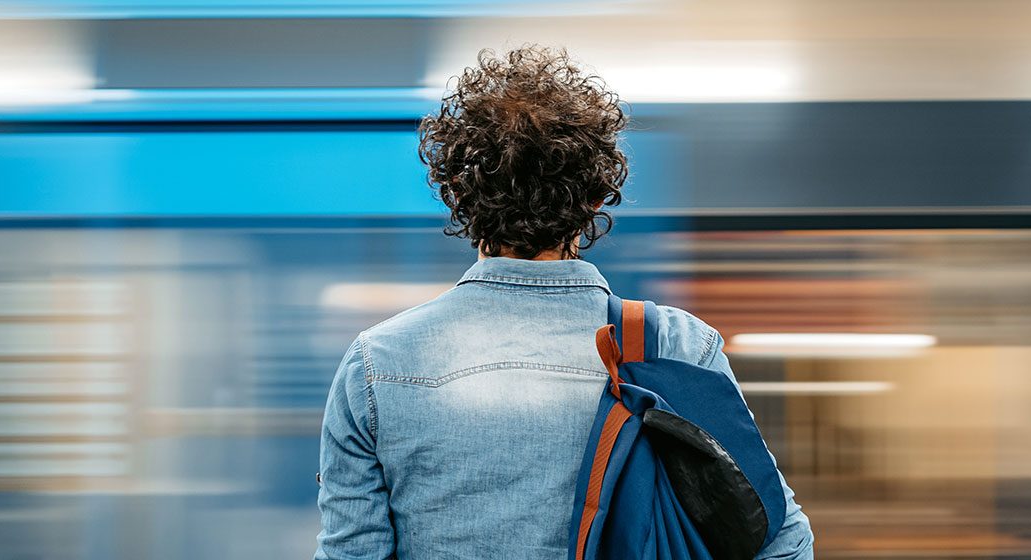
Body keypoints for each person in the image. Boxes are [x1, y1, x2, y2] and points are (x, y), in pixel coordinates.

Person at [314, 45, 814, 559]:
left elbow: (353, 552)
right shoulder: (674, 345)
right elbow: (782, 544)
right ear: (597, 197)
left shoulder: (379, 364)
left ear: (458, 194)